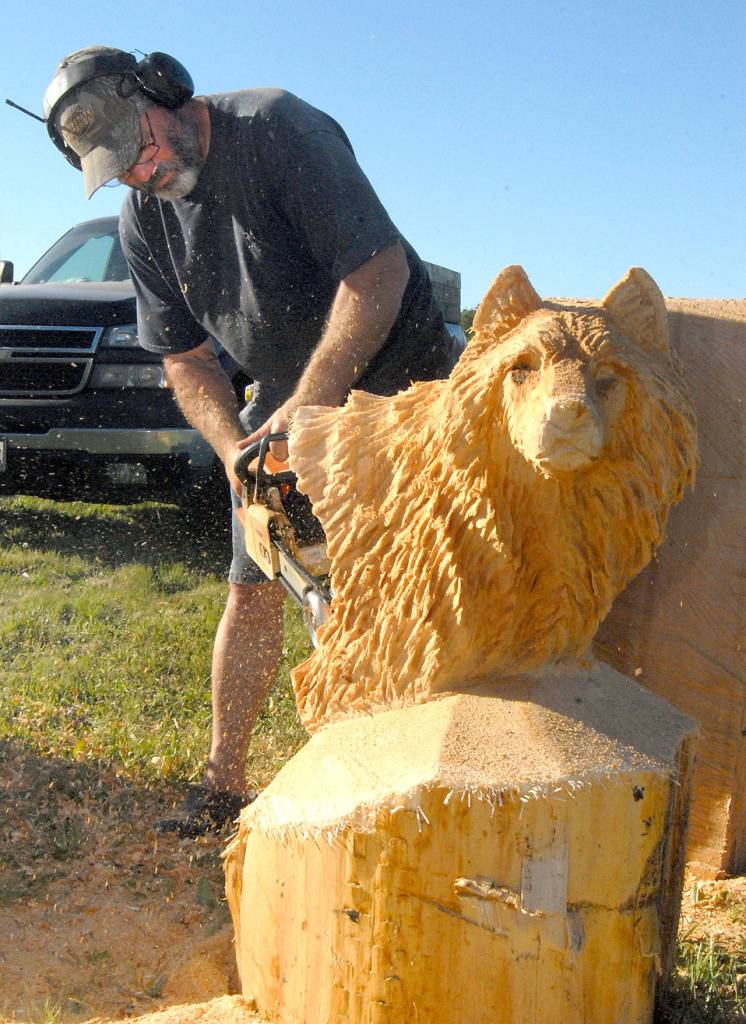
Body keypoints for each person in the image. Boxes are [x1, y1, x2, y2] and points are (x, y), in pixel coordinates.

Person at [44, 46, 457, 836]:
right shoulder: (145, 219)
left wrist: (314, 405)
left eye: (145, 146)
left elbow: (380, 274)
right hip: (282, 399)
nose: (145, 171)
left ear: (163, 90)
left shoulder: (275, 130)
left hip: (403, 386)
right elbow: (183, 358)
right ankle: (225, 785)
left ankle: (428, 783)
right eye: (122, 168)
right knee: (255, 588)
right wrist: (236, 447)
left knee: (408, 587)